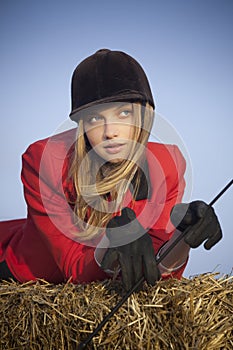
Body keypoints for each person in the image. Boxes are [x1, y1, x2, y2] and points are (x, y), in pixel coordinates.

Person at [0, 49, 222, 291]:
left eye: (124, 113)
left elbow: (152, 270)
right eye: (95, 118)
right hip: (26, 274)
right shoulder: (43, 160)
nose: (110, 132)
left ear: (144, 116)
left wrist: (183, 237)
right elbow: (72, 266)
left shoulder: (168, 164)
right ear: (82, 125)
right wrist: (113, 241)